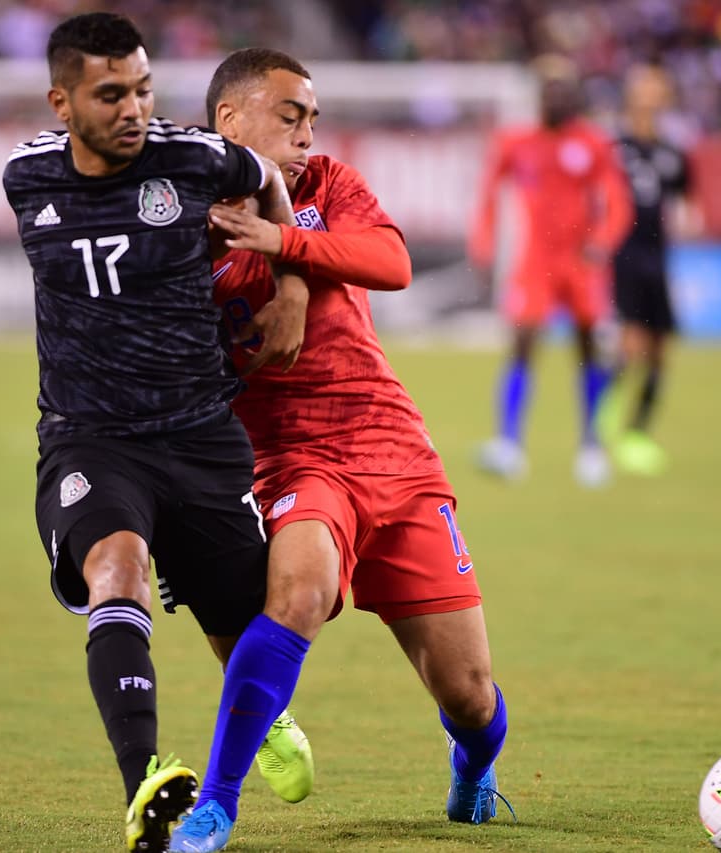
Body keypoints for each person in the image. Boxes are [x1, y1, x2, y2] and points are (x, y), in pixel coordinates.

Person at [168, 48, 513, 853]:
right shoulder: (184, 219)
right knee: (298, 592)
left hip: (395, 451)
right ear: (230, 119)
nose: (306, 135)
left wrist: (284, 247)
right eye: (290, 117)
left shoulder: (327, 185)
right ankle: (216, 804)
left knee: (468, 693)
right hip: (293, 456)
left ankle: (473, 759)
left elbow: (391, 262)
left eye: (312, 120)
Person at [2, 14, 310, 852]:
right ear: (63, 103)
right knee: (118, 566)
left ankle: (263, 711)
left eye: (142, 88)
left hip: (199, 433)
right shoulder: (25, 175)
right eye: (111, 94)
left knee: (240, 623)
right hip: (91, 437)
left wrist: (291, 287)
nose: (134, 108)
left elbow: (271, 185)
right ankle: (145, 781)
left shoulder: (196, 159)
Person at [469, 54, 633, 487]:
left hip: (580, 261)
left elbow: (617, 201)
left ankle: (592, 446)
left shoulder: (592, 143)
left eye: (563, 91)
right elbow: (489, 194)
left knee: (588, 348)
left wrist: (602, 242)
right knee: (522, 344)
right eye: (549, 91)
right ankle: (508, 444)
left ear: (574, 97)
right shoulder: (517, 142)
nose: (555, 98)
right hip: (536, 261)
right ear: (540, 97)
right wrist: (484, 245)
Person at [599, 64, 695, 475]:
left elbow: (687, 200)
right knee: (631, 341)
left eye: (657, 88)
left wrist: (690, 221)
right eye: (644, 87)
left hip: (659, 258)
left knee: (660, 349)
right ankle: (604, 414)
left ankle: (638, 432)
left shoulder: (673, 152)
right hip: (624, 254)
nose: (650, 94)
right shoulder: (613, 147)